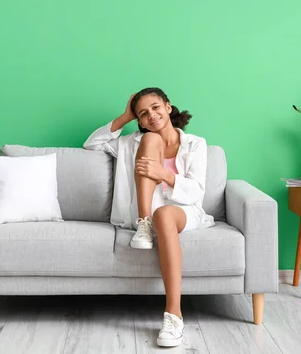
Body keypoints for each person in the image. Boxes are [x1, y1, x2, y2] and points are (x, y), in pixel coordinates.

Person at [83, 87, 215, 348]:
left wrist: (163, 174)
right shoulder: (133, 141)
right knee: (151, 140)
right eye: (143, 114)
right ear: (139, 120)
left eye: (155, 107)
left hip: (185, 210)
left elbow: (196, 190)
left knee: (165, 213)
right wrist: (124, 116)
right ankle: (144, 223)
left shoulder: (196, 143)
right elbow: (91, 144)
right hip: (148, 210)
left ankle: (173, 316)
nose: (151, 116)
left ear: (168, 106)